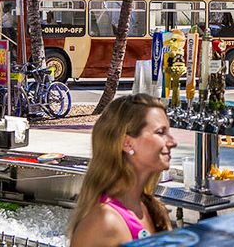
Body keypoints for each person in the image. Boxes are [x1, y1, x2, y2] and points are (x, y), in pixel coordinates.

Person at [69, 94, 176, 247]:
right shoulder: (104, 222)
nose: (172, 142)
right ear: (127, 143)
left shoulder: (152, 208)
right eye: (160, 132)